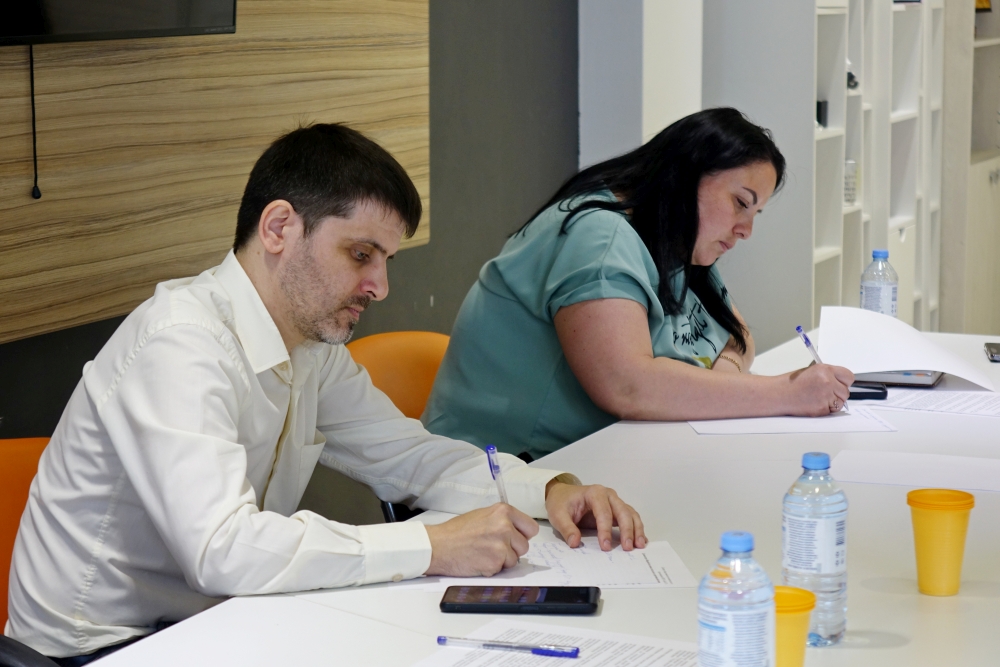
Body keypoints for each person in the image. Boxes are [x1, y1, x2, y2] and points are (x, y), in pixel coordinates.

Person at [5, 124, 645, 664]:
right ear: (279, 227)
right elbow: (222, 550)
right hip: (97, 650)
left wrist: (549, 489)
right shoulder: (179, 346)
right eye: (361, 254)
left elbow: (411, 456)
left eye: (386, 260)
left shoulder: (309, 349)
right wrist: (430, 546)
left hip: (211, 624)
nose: (380, 286)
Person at [422, 108, 855, 462]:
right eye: (740, 203)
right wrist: (785, 393)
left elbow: (735, 336)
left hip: (601, 461)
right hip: (502, 476)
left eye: (755, 213)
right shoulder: (599, 237)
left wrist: (723, 384)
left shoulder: (674, 239)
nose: (746, 230)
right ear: (686, 175)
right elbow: (627, 385)